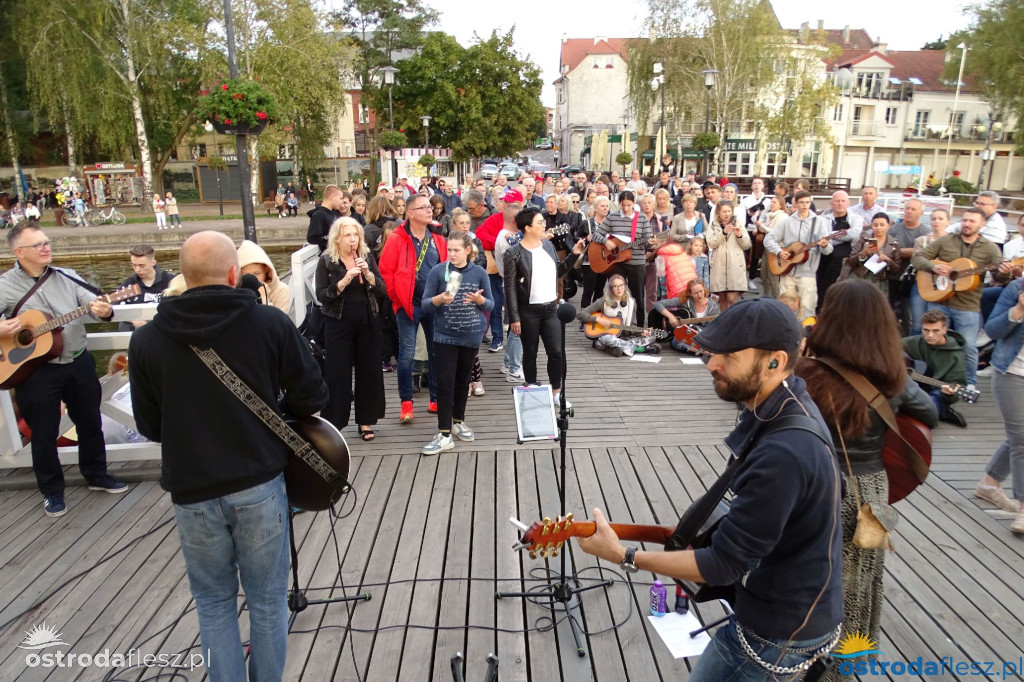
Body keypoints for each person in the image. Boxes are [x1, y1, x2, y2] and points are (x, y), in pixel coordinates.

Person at [578, 297, 843, 681]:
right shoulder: (785, 400)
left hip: (778, 630)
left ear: (776, 361)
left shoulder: (785, 452)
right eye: (713, 352)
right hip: (792, 608)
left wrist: (625, 556)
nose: (712, 364)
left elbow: (721, 565)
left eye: (729, 355)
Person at [129, 231, 327, 682]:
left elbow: (148, 426)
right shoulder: (269, 324)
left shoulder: (147, 341)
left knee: (214, 602)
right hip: (258, 483)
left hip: (191, 490)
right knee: (267, 600)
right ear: (234, 273)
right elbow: (312, 397)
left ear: (182, 276)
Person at [797, 279, 937, 663]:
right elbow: (930, 414)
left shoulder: (803, 372)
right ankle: (845, 663)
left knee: (802, 572)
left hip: (812, 486)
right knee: (859, 579)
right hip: (869, 494)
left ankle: (796, 657)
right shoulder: (892, 377)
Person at [0, 222, 129, 517]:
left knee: (89, 422)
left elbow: (96, 305)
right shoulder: (5, 286)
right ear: (19, 252)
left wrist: (105, 310)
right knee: (43, 433)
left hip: (77, 360)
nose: (46, 248)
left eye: (47, 242)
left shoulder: (67, 276)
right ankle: (52, 491)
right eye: (38, 245)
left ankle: (97, 475)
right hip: (37, 370)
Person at [912, 207, 1013, 390]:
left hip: (967, 304)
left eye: (972, 221)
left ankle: (969, 384)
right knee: (932, 341)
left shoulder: (990, 248)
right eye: (965, 220)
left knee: (968, 346)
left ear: (982, 224)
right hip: (938, 300)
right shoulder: (945, 241)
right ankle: (930, 381)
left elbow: (999, 278)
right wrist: (933, 268)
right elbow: (918, 258)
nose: (967, 224)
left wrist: (1005, 273)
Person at [420, 232, 494, 455]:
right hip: (445, 336)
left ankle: (458, 421)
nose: (451, 254)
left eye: (456, 250)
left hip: (471, 336)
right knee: (445, 382)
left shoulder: (480, 272)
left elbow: (490, 304)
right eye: (449, 250)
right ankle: (444, 433)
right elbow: (424, 304)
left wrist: (479, 300)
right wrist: (438, 300)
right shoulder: (437, 271)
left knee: (463, 381)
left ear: (468, 250)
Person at [504, 207, 585, 403]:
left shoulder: (548, 245)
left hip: (551, 309)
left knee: (557, 352)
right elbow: (510, 288)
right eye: (540, 222)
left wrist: (574, 254)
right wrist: (514, 317)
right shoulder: (513, 253)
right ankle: (532, 390)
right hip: (528, 311)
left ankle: (557, 392)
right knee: (530, 353)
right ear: (527, 227)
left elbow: (559, 271)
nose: (544, 226)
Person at [379, 193, 448, 423]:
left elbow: (445, 266)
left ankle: (435, 398)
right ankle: (406, 402)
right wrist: (397, 299)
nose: (430, 210)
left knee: (436, 351)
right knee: (406, 355)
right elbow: (385, 272)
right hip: (408, 305)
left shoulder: (437, 236)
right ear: (410, 213)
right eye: (424, 207)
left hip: (435, 303)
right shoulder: (397, 239)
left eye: (430, 207)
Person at [315, 218, 386, 440]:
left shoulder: (366, 257)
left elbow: (382, 290)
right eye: (347, 235)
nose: (353, 239)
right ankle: (334, 423)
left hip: (367, 320)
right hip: (338, 322)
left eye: (355, 235)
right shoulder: (327, 261)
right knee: (337, 373)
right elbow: (321, 296)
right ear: (338, 237)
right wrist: (343, 281)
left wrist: (369, 276)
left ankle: (366, 421)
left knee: (369, 371)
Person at [976, 277, 1024, 532]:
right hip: (1013, 373)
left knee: (1018, 437)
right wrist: (1017, 311)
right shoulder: (1017, 288)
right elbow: (992, 330)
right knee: (1022, 440)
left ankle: (989, 483)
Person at [763, 190, 834, 321]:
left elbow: (828, 251)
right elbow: (768, 239)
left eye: (807, 202)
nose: (805, 205)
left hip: (808, 273)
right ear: (795, 203)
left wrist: (824, 245)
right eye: (801, 202)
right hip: (787, 272)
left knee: (807, 309)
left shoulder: (818, 222)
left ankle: (805, 338)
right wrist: (779, 251)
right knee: (785, 308)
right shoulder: (787, 222)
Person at [592, 191, 652, 325]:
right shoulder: (612, 217)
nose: (625, 208)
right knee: (615, 294)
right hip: (616, 262)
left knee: (638, 296)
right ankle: (615, 324)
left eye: (629, 205)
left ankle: (639, 327)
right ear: (619, 203)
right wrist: (606, 242)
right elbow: (596, 235)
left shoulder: (641, 218)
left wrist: (651, 242)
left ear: (634, 204)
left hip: (636, 261)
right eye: (623, 205)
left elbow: (647, 242)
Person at [903, 309, 969, 427]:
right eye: (926, 330)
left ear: (944, 329)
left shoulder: (955, 356)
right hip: (912, 388)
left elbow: (957, 387)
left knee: (922, 412)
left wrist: (949, 393)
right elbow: (888, 346)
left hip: (936, 392)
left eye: (935, 330)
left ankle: (942, 411)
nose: (930, 335)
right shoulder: (915, 341)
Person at [887, 198, 929, 334]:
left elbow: (922, 253)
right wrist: (911, 251)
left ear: (921, 213)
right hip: (891, 275)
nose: (909, 212)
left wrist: (898, 251)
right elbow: (887, 249)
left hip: (912, 279)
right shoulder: (894, 229)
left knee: (908, 314)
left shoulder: (925, 231)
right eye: (907, 208)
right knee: (888, 310)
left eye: (913, 209)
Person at [816, 191, 865, 306]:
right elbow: (821, 236)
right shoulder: (822, 218)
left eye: (843, 201)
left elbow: (854, 234)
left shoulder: (856, 218)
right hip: (824, 252)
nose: (840, 203)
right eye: (837, 201)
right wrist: (844, 234)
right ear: (831, 203)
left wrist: (830, 236)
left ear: (848, 203)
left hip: (845, 254)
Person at [909, 208, 951, 335]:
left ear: (948, 222)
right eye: (933, 219)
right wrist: (933, 266)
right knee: (917, 323)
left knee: (937, 322)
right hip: (921, 285)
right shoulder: (921, 240)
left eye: (940, 218)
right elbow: (915, 261)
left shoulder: (954, 242)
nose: (936, 221)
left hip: (943, 287)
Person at [705, 201, 751, 310]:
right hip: (719, 263)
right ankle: (724, 322)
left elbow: (747, 245)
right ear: (718, 212)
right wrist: (723, 233)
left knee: (732, 297)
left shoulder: (738, 223)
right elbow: (711, 243)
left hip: (735, 263)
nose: (727, 214)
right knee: (723, 297)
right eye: (724, 211)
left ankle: (733, 322)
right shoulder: (713, 225)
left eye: (729, 211)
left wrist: (739, 235)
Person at [655, 278, 720, 353]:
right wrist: (670, 317)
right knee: (676, 341)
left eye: (701, 291)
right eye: (695, 293)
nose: (699, 295)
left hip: (700, 335)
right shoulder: (685, 300)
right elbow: (658, 304)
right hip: (684, 334)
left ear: (704, 289)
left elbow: (713, 329)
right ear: (690, 293)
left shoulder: (713, 306)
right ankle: (699, 350)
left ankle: (695, 348)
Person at [119, 244, 174, 331]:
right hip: (137, 334)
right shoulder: (129, 284)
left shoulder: (170, 280)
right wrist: (133, 319)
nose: (137, 270)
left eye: (142, 265)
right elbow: (114, 308)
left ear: (153, 263)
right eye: (134, 265)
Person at [844, 212, 901, 294]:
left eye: (882, 225)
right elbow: (849, 262)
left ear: (888, 226)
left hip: (879, 282)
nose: (878, 228)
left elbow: (896, 269)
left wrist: (887, 260)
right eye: (875, 225)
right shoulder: (864, 239)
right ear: (871, 226)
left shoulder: (894, 243)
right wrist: (863, 253)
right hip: (859, 279)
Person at [238, 239, 291, 313]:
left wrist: (264, 298)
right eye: (247, 275)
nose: (253, 279)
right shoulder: (234, 292)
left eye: (257, 274)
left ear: (266, 269)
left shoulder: (281, 290)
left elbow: (275, 323)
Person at [756, 196, 788, 299]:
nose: (771, 204)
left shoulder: (782, 217)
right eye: (771, 202)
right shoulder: (769, 215)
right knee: (764, 274)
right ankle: (766, 298)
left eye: (774, 202)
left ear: (780, 205)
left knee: (773, 277)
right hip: (767, 249)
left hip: (776, 249)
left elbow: (775, 233)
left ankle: (776, 300)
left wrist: (762, 226)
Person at [306, 185, 345, 252]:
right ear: (332, 197)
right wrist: (335, 243)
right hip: (330, 255)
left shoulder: (335, 212)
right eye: (340, 198)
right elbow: (313, 238)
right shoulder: (319, 215)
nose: (342, 202)